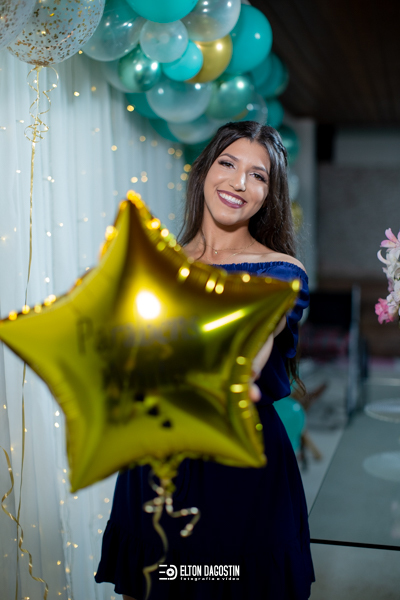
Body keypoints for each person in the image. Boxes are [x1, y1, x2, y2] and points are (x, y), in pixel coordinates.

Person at [95, 121, 315, 599]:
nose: (239, 182)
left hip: (236, 466)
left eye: (258, 175)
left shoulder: (280, 271)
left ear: (269, 194)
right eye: (228, 163)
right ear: (203, 171)